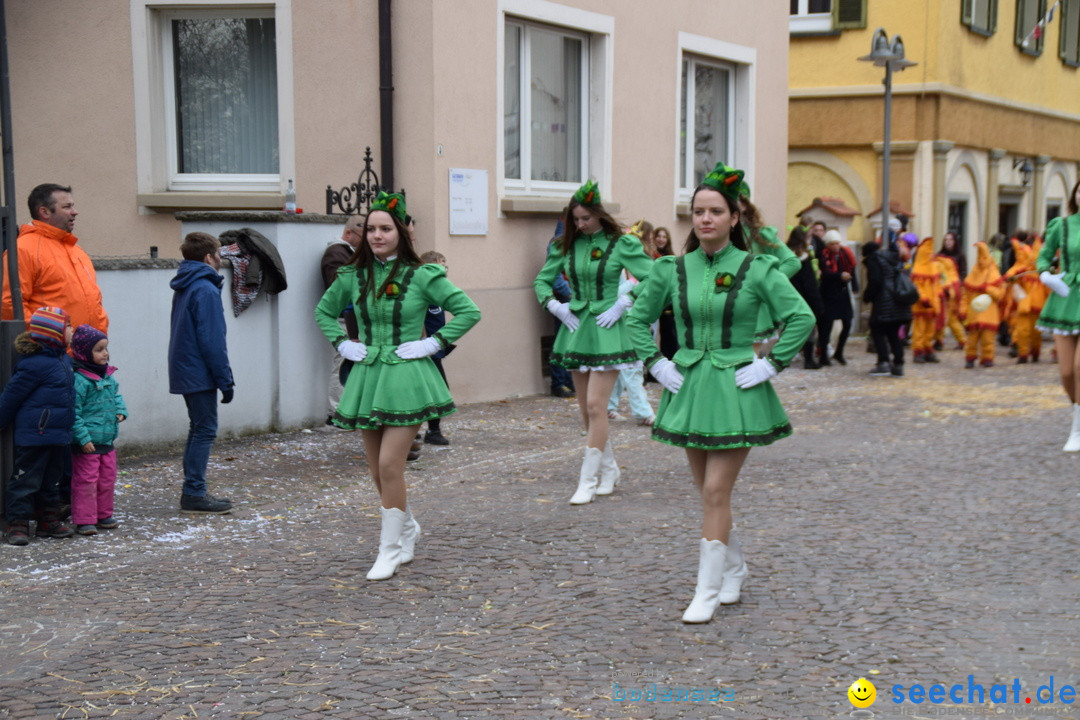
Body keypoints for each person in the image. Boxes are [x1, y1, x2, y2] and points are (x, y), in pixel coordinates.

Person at [625, 162, 814, 623]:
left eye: (715, 211)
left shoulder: (756, 267)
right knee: (708, 493)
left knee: (714, 490)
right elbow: (635, 318)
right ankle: (735, 568)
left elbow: (802, 317)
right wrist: (656, 363)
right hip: (688, 386)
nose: (705, 219)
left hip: (736, 389)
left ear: (734, 218)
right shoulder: (671, 268)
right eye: (698, 212)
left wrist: (770, 364)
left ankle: (705, 591)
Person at [315, 191, 480, 580]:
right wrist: (343, 343)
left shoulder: (423, 275)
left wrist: (433, 343)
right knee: (376, 471)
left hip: (407, 376)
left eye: (385, 229)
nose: (376, 235)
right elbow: (323, 311)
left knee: (391, 464)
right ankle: (406, 528)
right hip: (369, 375)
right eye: (371, 229)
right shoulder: (352, 275)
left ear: (401, 232)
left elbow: (469, 311)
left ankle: (389, 550)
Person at [533, 181, 654, 505]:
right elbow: (543, 280)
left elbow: (655, 275)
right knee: (587, 412)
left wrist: (625, 303)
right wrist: (555, 306)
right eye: (576, 218)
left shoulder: (621, 244)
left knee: (596, 406)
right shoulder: (564, 246)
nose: (580, 224)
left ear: (600, 215)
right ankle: (610, 468)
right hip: (577, 326)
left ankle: (586, 480)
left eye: (586, 218)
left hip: (609, 326)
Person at [169, 232, 235, 515]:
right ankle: (194, 492)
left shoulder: (187, 284)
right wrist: (225, 380)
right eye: (218, 254)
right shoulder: (205, 289)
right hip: (198, 369)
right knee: (204, 430)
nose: (221, 259)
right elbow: (212, 340)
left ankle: (192, 490)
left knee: (198, 429)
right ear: (209, 257)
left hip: (186, 366)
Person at [0, 307, 76, 545]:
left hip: (59, 434)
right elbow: (12, 395)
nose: (72, 331)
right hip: (35, 434)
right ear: (55, 333)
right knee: (25, 480)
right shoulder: (34, 364)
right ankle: (18, 523)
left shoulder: (64, 359)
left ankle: (47, 520)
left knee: (51, 480)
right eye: (68, 326)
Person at [2, 184, 109, 332]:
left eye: (73, 206)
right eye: (67, 207)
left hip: (86, 351)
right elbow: (11, 306)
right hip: (51, 352)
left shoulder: (77, 251)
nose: (75, 212)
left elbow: (95, 303)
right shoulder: (23, 250)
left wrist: (99, 341)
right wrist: (49, 341)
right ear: (44, 212)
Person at [69, 324, 127, 535]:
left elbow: (117, 397)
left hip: (107, 441)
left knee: (107, 478)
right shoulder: (80, 381)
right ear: (85, 353)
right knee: (86, 481)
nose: (105, 354)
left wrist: (121, 411)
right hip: (88, 443)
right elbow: (73, 412)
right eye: (99, 350)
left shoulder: (108, 377)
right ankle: (85, 519)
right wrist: (82, 438)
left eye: (106, 348)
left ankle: (103, 514)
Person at [1036, 179, 1080, 450]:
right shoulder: (1062, 225)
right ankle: (1078, 414)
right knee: (1065, 372)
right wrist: (1045, 274)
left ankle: (1077, 430)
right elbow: (1044, 255)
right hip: (1066, 296)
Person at [317, 213, 365, 432]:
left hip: (352, 318)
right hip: (343, 318)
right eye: (364, 235)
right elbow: (337, 288)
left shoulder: (348, 253)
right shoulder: (336, 253)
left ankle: (348, 412)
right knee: (342, 365)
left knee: (351, 365)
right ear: (349, 233)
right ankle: (336, 414)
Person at [418, 250, 455, 445]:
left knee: (439, 389)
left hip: (436, 348)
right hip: (425, 349)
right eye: (443, 264)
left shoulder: (438, 290)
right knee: (431, 391)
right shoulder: (425, 290)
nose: (445, 269)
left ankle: (432, 430)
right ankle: (426, 430)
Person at [862, 236, 911, 376]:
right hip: (897, 301)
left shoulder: (873, 259)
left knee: (877, 330)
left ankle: (883, 362)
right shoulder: (891, 257)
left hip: (883, 302)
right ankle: (898, 365)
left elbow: (875, 281)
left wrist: (867, 296)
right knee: (893, 333)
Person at [816, 229, 858, 365]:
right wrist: (839, 275)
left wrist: (855, 285)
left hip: (842, 293)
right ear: (828, 245)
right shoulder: (823, 255)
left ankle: (839, 351)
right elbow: (825, 274)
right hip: (828, 294)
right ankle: (823, 355)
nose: (836, 247)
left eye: (837, 243)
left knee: (848, 322)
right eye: (832, 244)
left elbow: (852, 268)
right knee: (826, 326)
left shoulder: (845, 254)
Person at [961, 242, 1005, 369]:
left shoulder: (994, 274)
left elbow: (1000, 294)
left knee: (988, 339)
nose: (981, 261)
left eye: (984, 258)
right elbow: (966, 295)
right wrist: (963, 310)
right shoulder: (973, 273)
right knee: (972, 339)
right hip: (974, 313)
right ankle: (970, 358)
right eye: (979, 258)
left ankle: (987, 358)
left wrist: (988, 289)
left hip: (989, 314)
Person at [786, 227, 824, 369]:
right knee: (808, 328)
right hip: (804, 299)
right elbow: (810, 284)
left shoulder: (785, 255)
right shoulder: (804, 257)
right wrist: (818, 303)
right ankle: (809, 360)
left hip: (786, 297)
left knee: (787, 328)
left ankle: (784, 358)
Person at [1003, 238, 1047, 364]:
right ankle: (1022, 354)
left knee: (1036, 333)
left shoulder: (1043, 275)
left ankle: (1035, 352)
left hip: (1038, 308)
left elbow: (1048, 290)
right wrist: (1011, 279)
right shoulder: (1023, 272)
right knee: (1022, 331)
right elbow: (1013, 279)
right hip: (1024, 306)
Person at [909, 238, 943, 364]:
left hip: (932, 304)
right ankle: (918, 351)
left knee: (930, 330)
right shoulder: (918, 268)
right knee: (919, 330)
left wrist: (939, 296)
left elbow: (937, 284)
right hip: (921, 305)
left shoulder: (933, 267)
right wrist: (923, 298)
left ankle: (928, 349)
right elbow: (917, 286)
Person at [650, 226, 679, 363]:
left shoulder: (671, 257)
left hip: (668, 302)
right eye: (659, 236)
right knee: (653, 333)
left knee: (669, 335)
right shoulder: (650, 256)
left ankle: (671, 362)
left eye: (664, 236)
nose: (661, 239)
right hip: (654, 300)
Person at [935, 232, 968, 351]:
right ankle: (939, 340)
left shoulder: (960, 255)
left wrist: (958, 287)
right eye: (946, 240)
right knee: (940, 315)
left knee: (951, 317)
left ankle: (961, 340)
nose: (948, 242)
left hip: (954, 290)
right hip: (942, 289)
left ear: (955, 241)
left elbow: (963, 273)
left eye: (950, 240)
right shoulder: (939, 255)